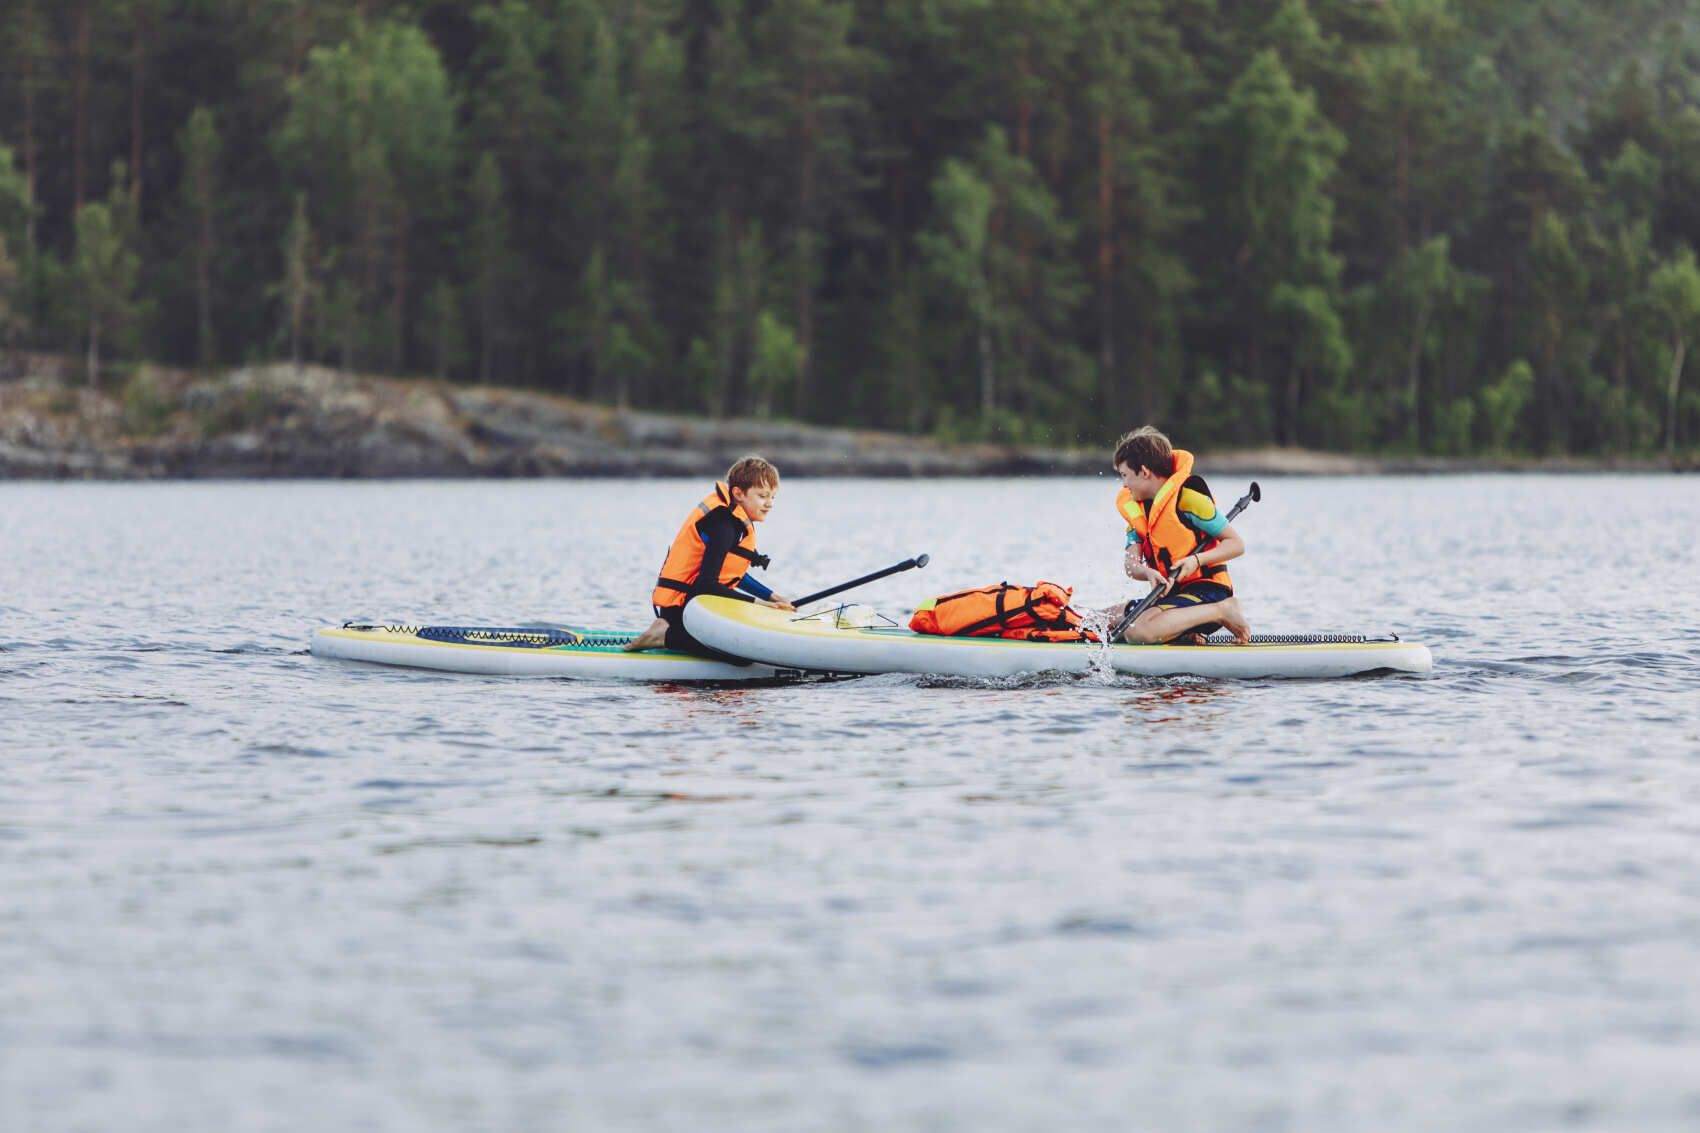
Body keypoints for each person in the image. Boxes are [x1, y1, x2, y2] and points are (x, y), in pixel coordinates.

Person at [624, 455, 796, 655]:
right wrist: (764, 605)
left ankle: (668, 633)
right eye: (762, 496)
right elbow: (707, 584)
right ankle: (664, 635)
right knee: (741, 656)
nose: (769, 504)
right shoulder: (723, 525)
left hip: (696, 606)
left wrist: (774, 597)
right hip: (683, 611)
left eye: (772, 497)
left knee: (745, 645)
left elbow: (730, 575)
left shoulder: (733, 523)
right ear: (739, 493)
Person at [1111, 425, 1251, 644]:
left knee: (1137, 631)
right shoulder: (1137, 512)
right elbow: (1131, 565)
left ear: (1144, 472)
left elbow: (1236, 544)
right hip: (1175, 597)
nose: (1124, 484)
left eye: (1125, 475)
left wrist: (1196, 560)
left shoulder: (1189, 500)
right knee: (1103, 620)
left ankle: (1223, 611)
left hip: (1209, 592)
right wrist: (1146, 572)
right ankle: (1185, 635)